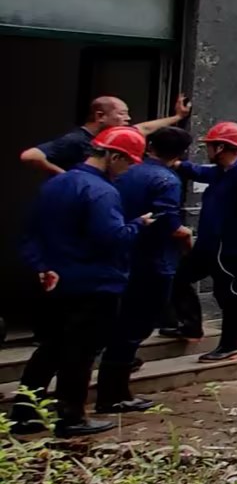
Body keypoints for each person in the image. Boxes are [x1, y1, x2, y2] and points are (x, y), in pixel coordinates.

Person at [12, 127, 149, 437]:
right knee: (81, 353)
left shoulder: (55, 183)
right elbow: (112, 239)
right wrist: (138, 225)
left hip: (58, 281)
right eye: (129, 162)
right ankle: (72, 416)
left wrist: (42, 267)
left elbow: (31, 234)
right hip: (95, 284)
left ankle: (24, 412)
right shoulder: (101, 192)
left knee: (51, 348)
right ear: (114, 156)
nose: (128, 169)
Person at [96, 127, 189, 414]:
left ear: (149, 146)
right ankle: (113, 394)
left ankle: (113, 389)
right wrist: (185, 236)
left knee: (122, 324)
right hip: (153, 262)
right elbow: (167, 222)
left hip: (121, 256)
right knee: (135, 326)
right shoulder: (166, 180)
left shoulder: (123, 173)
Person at [174, 121, 237, 360]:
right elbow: (201, 172)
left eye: (209, 145)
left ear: (220, 147)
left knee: (229, 297)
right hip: (211, 245)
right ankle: (191, 326)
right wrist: (176, 164)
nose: (206, 149)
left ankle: (231, 344)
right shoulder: (223, 170)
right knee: (179, 278)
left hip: (232, 250)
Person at [16, 95, 189, 176]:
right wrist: (66, 176)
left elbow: (144, 128)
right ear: (100, 116)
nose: (128, 118)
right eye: (122, 114)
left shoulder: (113, 136)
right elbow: (30, 156)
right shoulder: (76, 139)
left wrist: (177, 117)